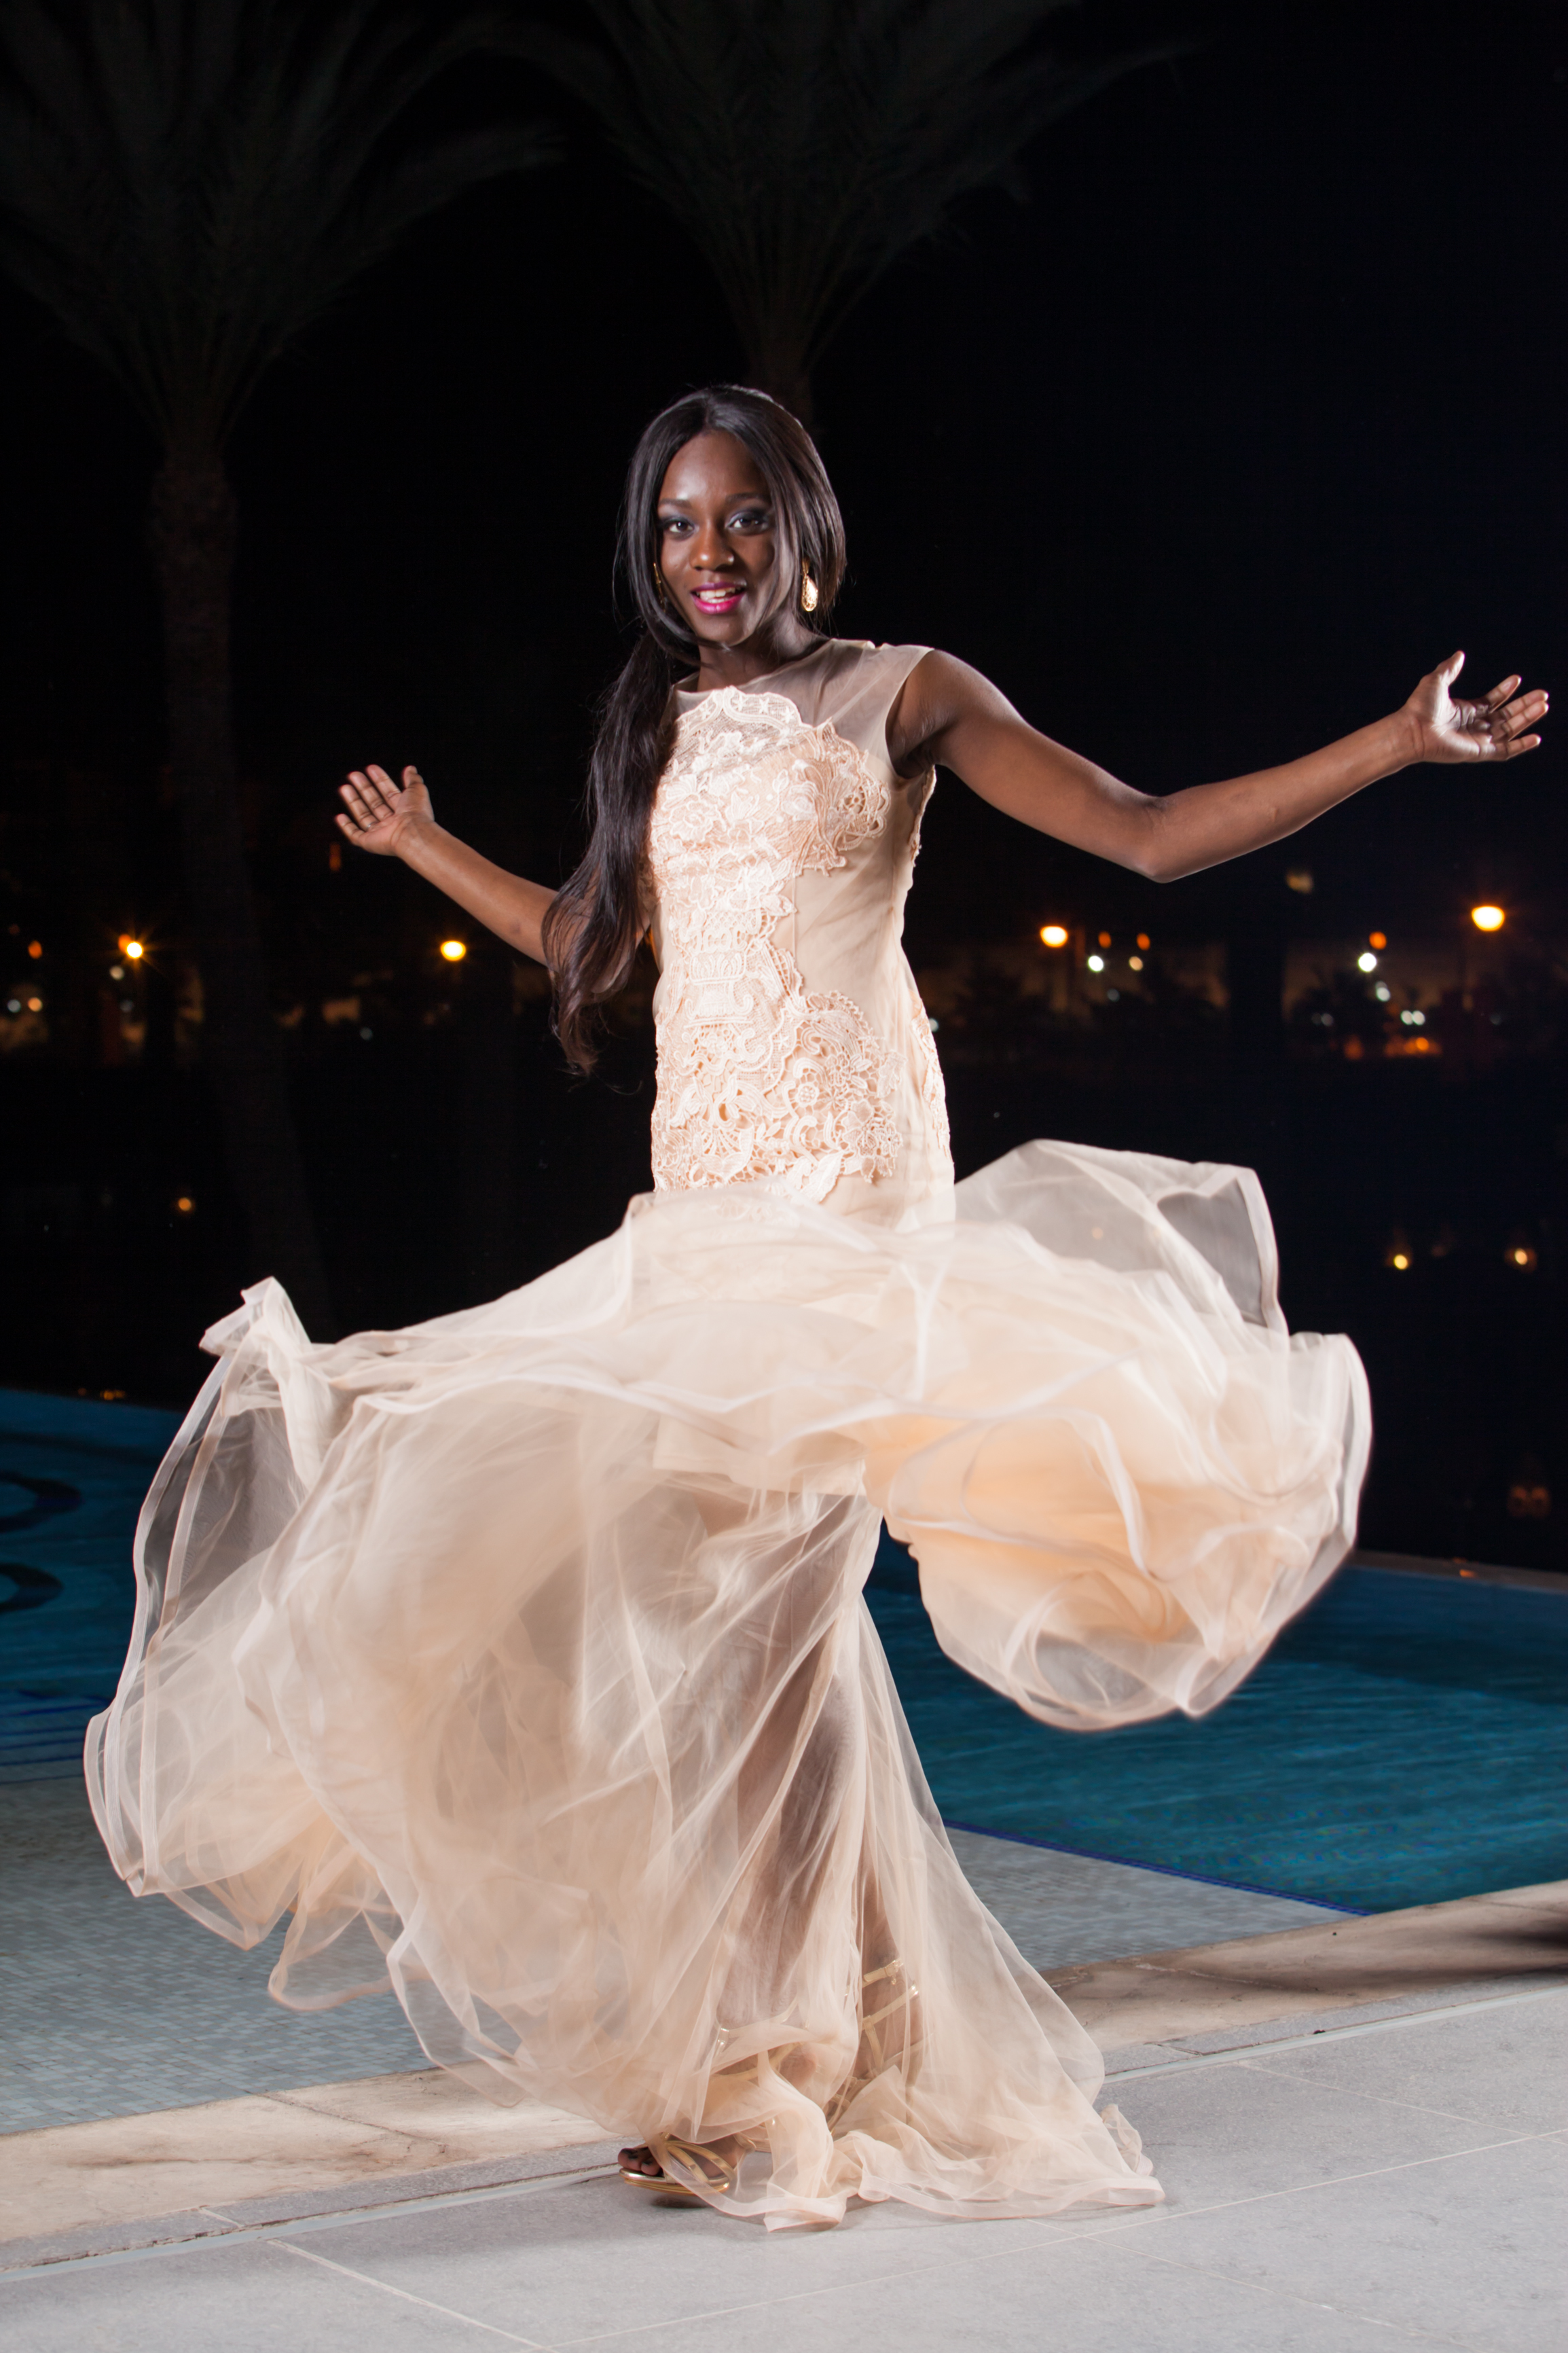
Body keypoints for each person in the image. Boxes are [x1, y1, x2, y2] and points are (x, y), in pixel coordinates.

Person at [87, 386, 1545, 2232]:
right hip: (704, 1221)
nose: (709, 555)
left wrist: (1398, 745)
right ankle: (793, 2050)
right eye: (678, 524)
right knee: (722, 1641)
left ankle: (759, 2074)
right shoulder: (656, 724)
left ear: (805, 532)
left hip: (848, 1216)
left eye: (741, 519)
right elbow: (593, 945)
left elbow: (1151, 834)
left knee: (758, 1631)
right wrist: (427, 850)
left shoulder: (904, 691)